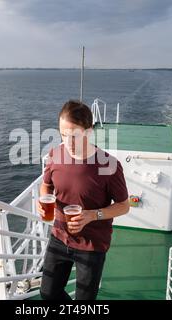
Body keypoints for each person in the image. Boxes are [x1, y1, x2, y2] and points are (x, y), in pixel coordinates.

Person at [38, 100, 130, 300]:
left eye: (74, 136)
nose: (68, 142)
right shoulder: (55, 154)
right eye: (63, 135)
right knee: (47, 293)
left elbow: (124, 206)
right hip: (59, 237)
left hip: (92, 245)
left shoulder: (110, 166)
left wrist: (92, 215)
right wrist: (44, 198)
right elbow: (46, 184)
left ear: (89, 132)